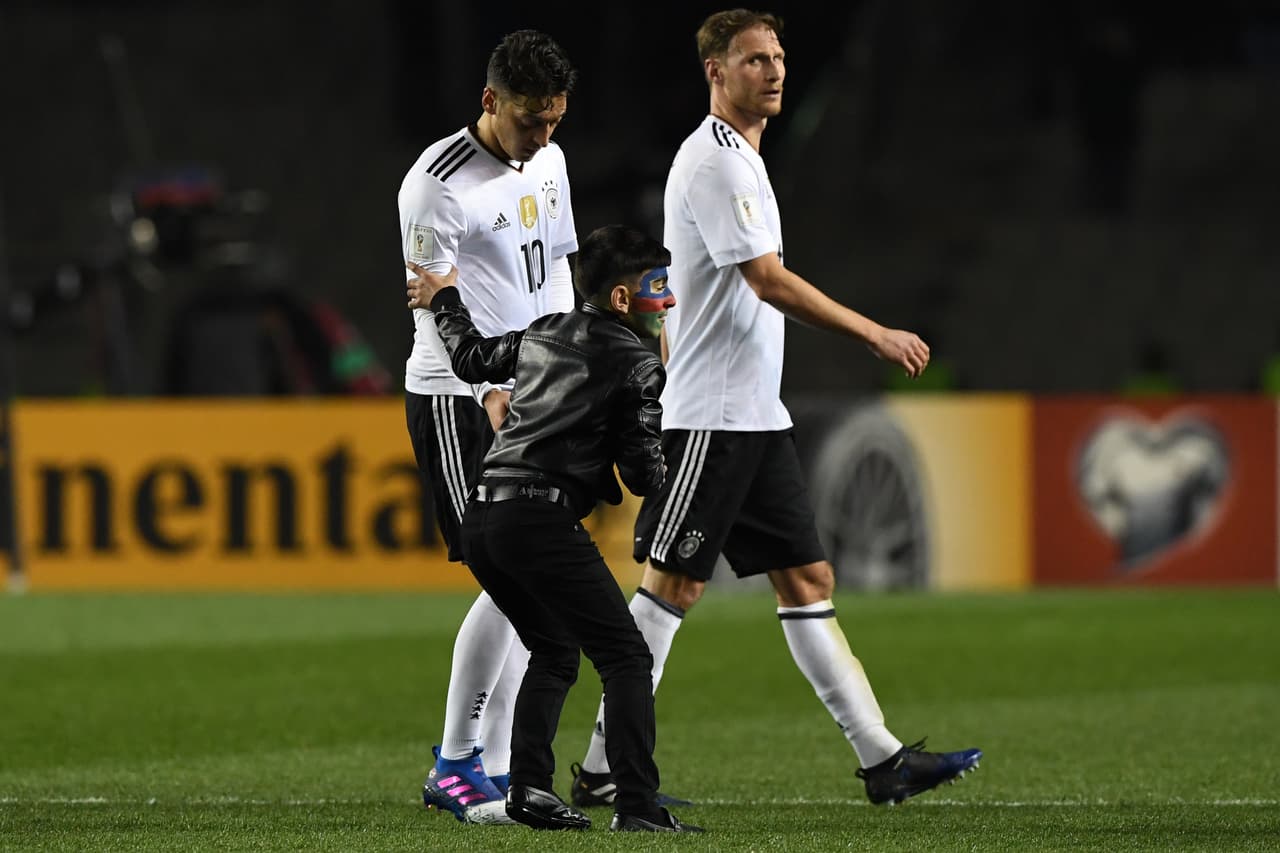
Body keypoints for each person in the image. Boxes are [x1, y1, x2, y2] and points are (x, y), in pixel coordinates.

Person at [567, 9, 982, 809]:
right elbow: (765, 280)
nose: (776, 69)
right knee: (670, 588)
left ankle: (882, 758)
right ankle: (599, 767)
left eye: (780, 56)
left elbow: (701, 288)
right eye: (755, 59)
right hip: (714, 419)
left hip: (756, 419)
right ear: (715, 73)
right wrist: (873, 332)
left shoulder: (745, 161)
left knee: (807, 576)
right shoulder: (717, 161)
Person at [404, 224, 701, 833]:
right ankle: (639, 808)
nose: (668, 301)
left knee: (556, 649)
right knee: (625, 656)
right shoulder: (638, 361)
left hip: (485, 514)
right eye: (659, 288)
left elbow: (469, 357)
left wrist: (444, 298)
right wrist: (658, 416)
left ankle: (529, 790)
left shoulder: (543, 332)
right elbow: (642, 474)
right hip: (540, 518)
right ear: (622, 300)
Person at [397, 29, 579, 825]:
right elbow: (432, 301)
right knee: (511, 566)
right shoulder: (435, 185)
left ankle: (497, 766)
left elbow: (559, 268)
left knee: (530, 574)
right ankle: (454, 760)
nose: (542, 137)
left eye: (553, 120)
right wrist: (492, 389)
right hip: (457, 394)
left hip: (540, 390)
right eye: (528, 121)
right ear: (488, 101)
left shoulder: (552, 158)